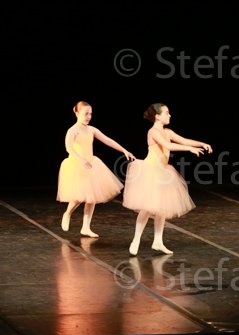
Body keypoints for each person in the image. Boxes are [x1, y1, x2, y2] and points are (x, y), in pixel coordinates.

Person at [123, 103, 212, 255]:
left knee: (161, 207)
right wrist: (189, 149)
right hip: (151, 171)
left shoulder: (167, 132)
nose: (169, 115)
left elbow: (184, 140)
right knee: (147, 208)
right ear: (157, 116)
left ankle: (158, 241)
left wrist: (201, 144)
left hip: (163, 172)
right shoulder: (153, 132)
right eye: (166, 113)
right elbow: (167, 146)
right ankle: (136, 240)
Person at [57, 101, 136, 237]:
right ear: (77, 113)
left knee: (91, 198)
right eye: (86, 114)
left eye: (90, 114)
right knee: (78, 197)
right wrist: (80, 159)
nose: (89, 117)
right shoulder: (73, 130)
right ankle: (67, 213)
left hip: (91, 165)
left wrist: (124, 150)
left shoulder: (91, 130)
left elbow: (108, 140)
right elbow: (68, 147)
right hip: (77, 165)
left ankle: (86, 227)